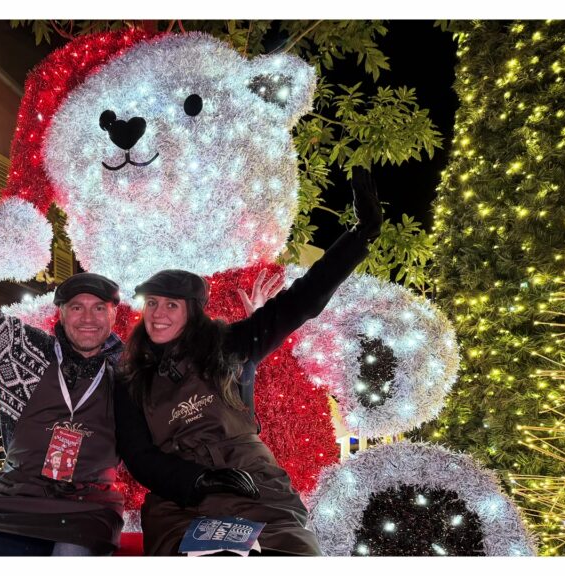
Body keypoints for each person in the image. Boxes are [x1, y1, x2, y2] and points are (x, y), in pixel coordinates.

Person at [0, 134, 254, 556]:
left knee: (69, 555)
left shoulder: (133, 368)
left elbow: (200, 374)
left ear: (113, 314)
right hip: (15, 496)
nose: (87, 318)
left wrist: (250, 337)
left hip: (87, 505)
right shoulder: (19, 348)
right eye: (76, 307)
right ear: (61, 313)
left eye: (98, 308)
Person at [116, 169, 383, 556]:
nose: (157, 314)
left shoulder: (231, 345)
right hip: (182, 500)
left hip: (256, 485)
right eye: (152, 303)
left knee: (294, 554)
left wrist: (360, 237)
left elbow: (301, 301)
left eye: (171, 305)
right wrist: (197, 480)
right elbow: (140, 457)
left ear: (193, 312)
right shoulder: (130, 379)